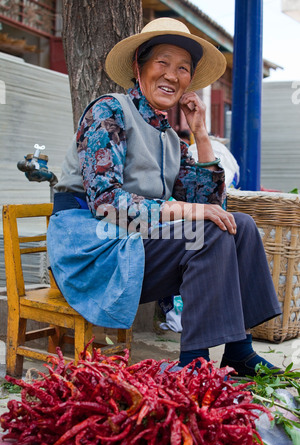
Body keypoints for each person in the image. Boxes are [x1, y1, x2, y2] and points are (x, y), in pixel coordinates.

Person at [47, 18, 282, 377]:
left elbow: (208, 203)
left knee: (239, 225)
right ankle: (195, 364)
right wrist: (189, 210)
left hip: (136, 243)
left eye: (183, 68)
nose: (172, 75)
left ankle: (239, 349)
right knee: (207, 233)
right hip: (94, 248)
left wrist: (200, 133)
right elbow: (108, 206)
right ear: (138, 67)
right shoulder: (109, 111)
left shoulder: (170, 137)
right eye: (162, 63)